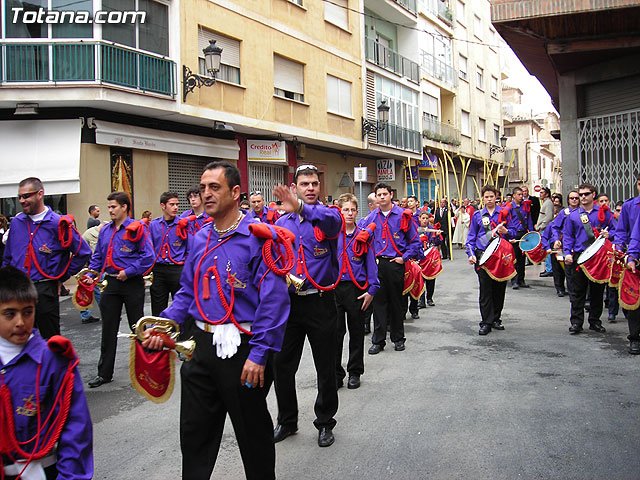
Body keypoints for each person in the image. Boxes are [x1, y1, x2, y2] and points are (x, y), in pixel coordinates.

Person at [143, 161, 290, 479]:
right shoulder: (199, 239)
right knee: (194, 436)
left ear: (236, 193)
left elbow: (274, 302)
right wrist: (163, 324)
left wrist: (260, 354)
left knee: (254, 438)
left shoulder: (259, 239)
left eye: (215, 188)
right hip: (200, 347)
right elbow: (186, 292)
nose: (205, 194)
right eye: (202, 187)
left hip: (244, 351)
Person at [0, 265, 93, 479]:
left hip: (41, 470)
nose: (20, 322)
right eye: (9, 314)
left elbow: (76, 428)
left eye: (27, 312)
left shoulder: (54, 360)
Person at [272, 164, 342, 448]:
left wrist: (300, 207)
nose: (311, 188)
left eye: (314, 183)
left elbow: (331, 222)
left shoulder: (328, 217)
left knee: (325, 366)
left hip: (321, 301)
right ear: (294, 187)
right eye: (304, 184)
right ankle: (287, 421)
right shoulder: (281, 224)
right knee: (281, 366)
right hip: (289, 305)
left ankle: (325, 423)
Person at [2, 177, 91, 339]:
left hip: (44, 290)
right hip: (18, 291)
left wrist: (61, 277)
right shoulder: (16, 223)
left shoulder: (58, 223)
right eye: (19, 197)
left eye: (26, 196)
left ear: (40, 194)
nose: (22, 201)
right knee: (19, 342)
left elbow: (83, 252)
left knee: (50, 342)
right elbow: (7, 258)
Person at [84, 191, 155, 388]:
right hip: (111, 283)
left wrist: (130, 271)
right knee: (108, 328)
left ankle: (145, 371)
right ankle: (104, 373)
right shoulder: (106, 230)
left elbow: (148, 256)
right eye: (108, 207)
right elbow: (98, 256)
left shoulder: (137, 228)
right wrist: (90, 275)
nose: (110, 210)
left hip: (131, 283)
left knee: (137, 327)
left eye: (113, 207)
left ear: (124, 207)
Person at [363, 182, 421, 354]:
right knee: (378, 304)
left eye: (384, 194)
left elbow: (415, 242)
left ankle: (398, 338)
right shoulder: (371, 218)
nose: (382, 197)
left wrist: (403, 258)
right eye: (378, 195)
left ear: (390, 195)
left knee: (396, 303)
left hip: (395, 264)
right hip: (377, 265)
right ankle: (378, 341)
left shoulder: (403, 216)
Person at [335, 193, 378, 390]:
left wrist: (372, 289)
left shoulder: (364, 235)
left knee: (356, 332)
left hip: (357, 289)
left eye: (353, 209)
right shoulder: (332, 235)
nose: (349, 213)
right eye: (346, 209)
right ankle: (335, 373)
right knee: (334, 334)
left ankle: (355, 372)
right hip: (334, 289)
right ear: (339, 210)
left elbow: (371, 264)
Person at [563, 183, 615, 335]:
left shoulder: (605, 213)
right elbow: (568, 236)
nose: (583, 197)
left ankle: (595, 321)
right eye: (581, 195)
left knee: (597, 291)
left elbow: (617, 230)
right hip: (580, 256)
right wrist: (567, 253)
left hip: (599, 257)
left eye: (586, 194)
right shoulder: (573, 215)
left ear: (594, 195)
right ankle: (576, 322)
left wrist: (609, 235)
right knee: (578, 292)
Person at [465, 185, 512, 335]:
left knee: (499, 289)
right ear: (483, 198)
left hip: (501, 258)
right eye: (486, 197)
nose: (489, 199)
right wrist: (470, 254)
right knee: (485, 290)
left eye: (492, 196)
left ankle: (496, 318)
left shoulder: (504, 214)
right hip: (483, 257)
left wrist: (507, 232)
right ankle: (486, 321)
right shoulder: (478, 215)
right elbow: (471, 238)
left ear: (496, 197)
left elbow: (514, 234)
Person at [149, 192, 188, 316]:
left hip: (177, 269)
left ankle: (182, 334)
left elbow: (190, 248)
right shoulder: (153, 225)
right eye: (172, 204)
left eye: (177, 204)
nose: (176, 207)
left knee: (181, 305)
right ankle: (159, 331)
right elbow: (148, 248)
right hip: (158, 270)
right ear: (163, 206)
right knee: (158, 306)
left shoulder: (183, 224)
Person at [614, 175, 640, 352]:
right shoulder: (630, 206)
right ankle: (635, 337)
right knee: (634, 300)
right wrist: (623, 252)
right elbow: (624, 231)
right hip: (635, 257)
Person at [79, 220, 109, 324]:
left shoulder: (99, 234)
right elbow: (92, 253)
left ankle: (86, 315)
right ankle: (106, 314)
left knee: (90, 292)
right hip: (89, 268)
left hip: (94, 268)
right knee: (97, 292)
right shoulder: (90, 234)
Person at [507, 187, 534, 289]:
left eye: (522, 194)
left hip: (523, 233)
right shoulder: (509, 207)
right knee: (515, 258)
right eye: (519, 194)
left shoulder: (525, 206)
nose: (521, 196)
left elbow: (529, 219)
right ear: (514, 195)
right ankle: (514, 280)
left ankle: (521, 280)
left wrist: (531, 232)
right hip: (514, 234)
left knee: (522, 258)